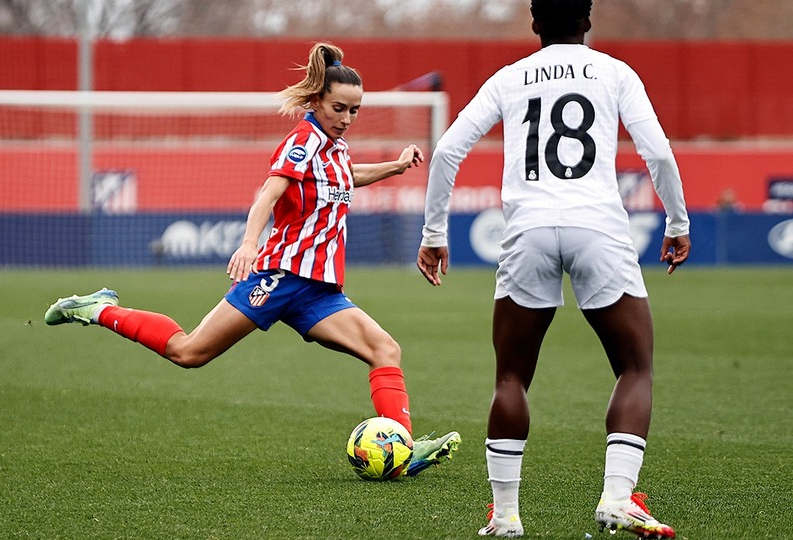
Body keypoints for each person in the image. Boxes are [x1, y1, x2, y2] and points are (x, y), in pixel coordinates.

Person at [45, 42, 460, 477]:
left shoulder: (336, 148)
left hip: (316, 289)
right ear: (316, 100)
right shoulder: (303, 140)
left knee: (384, 349)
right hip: (279, 276)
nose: (347, 118)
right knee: (189, 352)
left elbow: (346, 177)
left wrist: (393, 167)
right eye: (339, 108)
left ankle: (402, 446)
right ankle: (99, 308)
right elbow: (270, 192)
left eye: (355, 111)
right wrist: (248, 243)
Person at [416, 1, 689, 537]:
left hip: (529, 229)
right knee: (635, 368)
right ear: (587, 20)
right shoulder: (615, 73)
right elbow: (656, 150)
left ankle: (506, 516)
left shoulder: (509, 78)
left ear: (536, 23)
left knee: (512, 376)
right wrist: (676, 222)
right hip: (599, 229)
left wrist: (433, 235)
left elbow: (447, 150)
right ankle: (616, 496)